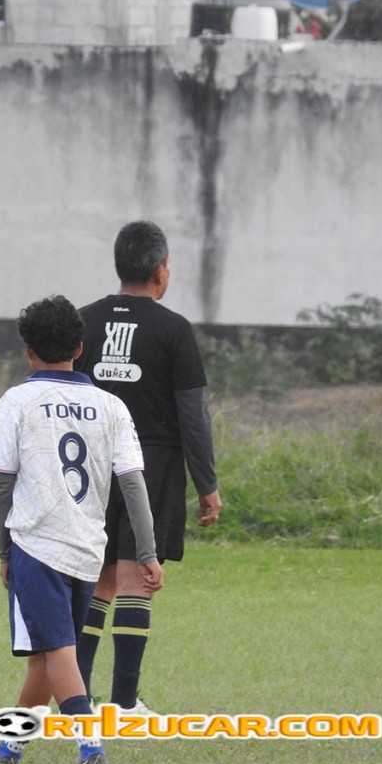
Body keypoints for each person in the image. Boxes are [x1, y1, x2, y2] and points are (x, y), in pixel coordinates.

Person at [0, 295, 163, 764]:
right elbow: (133, 484)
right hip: (87, 550)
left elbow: (1, 485)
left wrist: (4, 551)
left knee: (58, 650)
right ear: (80, 349)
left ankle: (91, 748)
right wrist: (147, 551)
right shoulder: (111, 406)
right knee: (46, 656)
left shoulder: (18, 401)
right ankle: (8, 751)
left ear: (28, 351)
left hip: (36, 546)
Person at [74, 220, 222, 714]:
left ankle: (77, 700)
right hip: (151, 465)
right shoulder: (173, 329)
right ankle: (123, 703)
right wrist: (207, 484)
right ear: (160, 270)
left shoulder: (83, 322)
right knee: (137, 579)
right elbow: (193, 415)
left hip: (90, 466)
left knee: (97, 581)